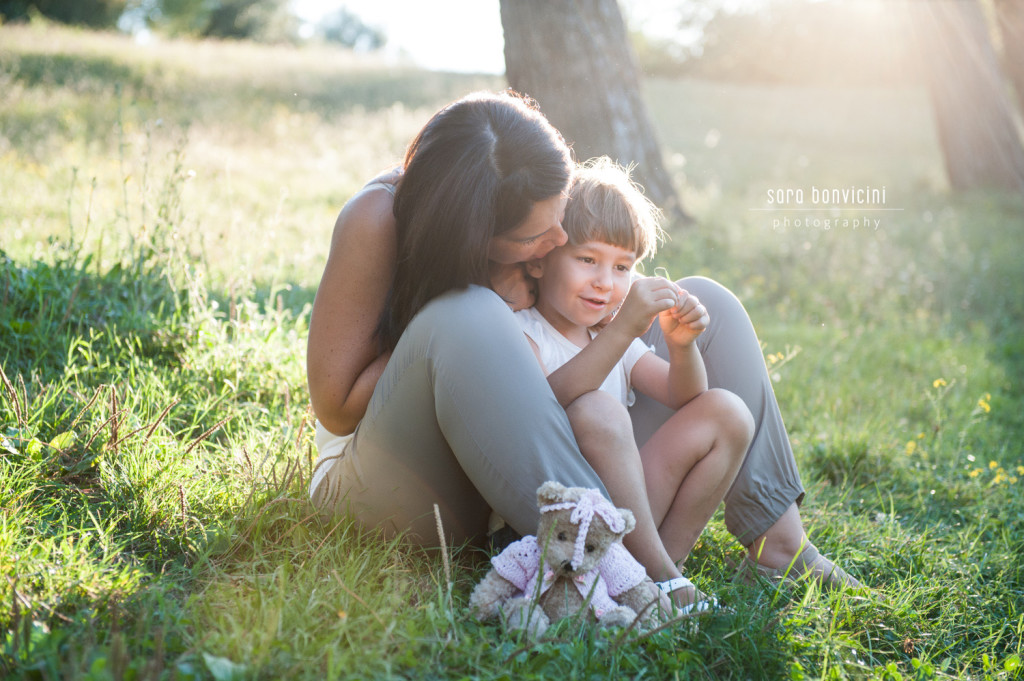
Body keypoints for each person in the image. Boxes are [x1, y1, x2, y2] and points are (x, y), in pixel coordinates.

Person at [305, 90, 862, 602]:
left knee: (701, 302)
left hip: (520, 464)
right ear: (475, 234)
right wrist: (474, 288)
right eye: (535, 238)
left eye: (561, 214)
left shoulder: (534, 223)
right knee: (467, 315)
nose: (560, 241)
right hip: (400, 480)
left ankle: (780, 547)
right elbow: (336, 405)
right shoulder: (379, 218)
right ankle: (625, 577)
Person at [513, 157, 752, 608]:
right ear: (541, 261)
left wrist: (681, 346)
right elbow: (543, 407)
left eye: (623, 268)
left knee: (727, 413)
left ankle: (659, 574)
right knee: (597, 409)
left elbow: (684, 396)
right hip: (560, 523)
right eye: (588, 260)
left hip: (625, 518)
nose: (604, 283)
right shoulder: (525, 333)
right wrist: (623, 327)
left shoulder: (611, 337)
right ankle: (659, 578)